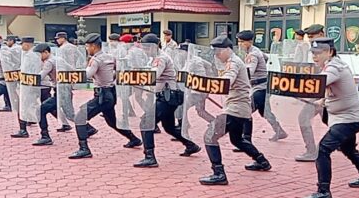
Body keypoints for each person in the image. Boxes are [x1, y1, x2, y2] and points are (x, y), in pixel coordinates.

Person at [301, 38, 359, 198]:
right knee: (348, 149)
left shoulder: (334, 67)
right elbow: (331, 91)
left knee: (323, 149)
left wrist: (294, 89)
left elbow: (318, 84)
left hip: (348, 120)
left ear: (330, 52)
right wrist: (324, 100)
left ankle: (324, 192)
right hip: (345, 118)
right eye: (313, 53)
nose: (315, 56)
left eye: (319, 53)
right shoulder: (331, 65)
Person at [198, 36, 272, 185]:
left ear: (227, 49)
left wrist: (204, 84)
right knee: (237, 140)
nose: (216, 55)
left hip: (235, 109)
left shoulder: (233, 63)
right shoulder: (231, 61)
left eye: (218, 51)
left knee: (209, 136)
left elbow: (227, 81)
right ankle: (262, 161)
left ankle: (219, 173)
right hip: (239, 108)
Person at [68, 33, 142, 159]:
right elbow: (118, 71)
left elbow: (87, 75)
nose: (87, 49)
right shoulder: (110, 57)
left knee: (80, 117)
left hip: (102, 95)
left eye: (88, 46)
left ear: (94, 46)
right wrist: (110, 80)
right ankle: (134, 139)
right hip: (110, 94)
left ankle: (84, 149)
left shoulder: (95, 60)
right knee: (112, 122)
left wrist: (74, 74)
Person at [132, 34, 200, 167]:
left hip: (167, 98)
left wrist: (135, 78)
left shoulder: (160, 58)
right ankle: (191, 145)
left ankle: (150, 157)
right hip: (166, 97)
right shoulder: (155, 58)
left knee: (146, 123)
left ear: (154, 46)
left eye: (147, 47)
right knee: (168, 127)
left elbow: (153, 75)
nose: (145, 50)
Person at [235, 30, 287, 149]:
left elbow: (248, 72)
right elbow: (266, 57)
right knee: (265, 113)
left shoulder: (252, 55)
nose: (240, 44)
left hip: (259, 87)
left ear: (249, 42)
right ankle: (279, 131)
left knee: (245, 112)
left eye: (242, 42)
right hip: (262, 85)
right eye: (239, 42)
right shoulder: (255, 50)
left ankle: (246, 141)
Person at [295, 24, 326, 162]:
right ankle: (311, 150)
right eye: (309, 37)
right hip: (316, 92)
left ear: (322, 34)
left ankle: (311, 151)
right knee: (328, 119)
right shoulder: (309, 49)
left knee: (329, 120)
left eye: (313, 37)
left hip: (325, 93)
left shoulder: (328, 50)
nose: (311, 40)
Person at [53, 32, 75, 132]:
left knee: (65, 103)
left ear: (63, 38)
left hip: (64, 77)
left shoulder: (64, 49)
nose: (57, 40)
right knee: (61, 102)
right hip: (68, 76)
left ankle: (86, 126)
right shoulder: (72, 47)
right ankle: (65, 123)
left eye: (58, 38)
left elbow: (64, 64)